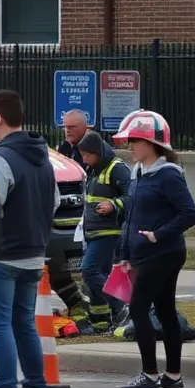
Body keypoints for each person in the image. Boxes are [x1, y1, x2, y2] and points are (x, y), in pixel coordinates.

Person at [0, 90, 58, 388]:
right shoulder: (44, 157)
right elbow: (52, 204)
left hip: (2, 255)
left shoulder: (0, 159)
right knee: (24, 324)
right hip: (34, 253)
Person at [111, 110, 195, 388]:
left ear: (151, 143)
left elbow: (188, 213)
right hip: (142, 254)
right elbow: (131, 216)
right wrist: (124, 252)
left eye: (134, 140)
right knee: (165, 311)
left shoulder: (168, 175)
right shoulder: (138, 174)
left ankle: (150, 375)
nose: (129, 146)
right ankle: (173, 376)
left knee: (138, 308)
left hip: (164, 253)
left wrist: (158, 234)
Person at [76, 130, 132, 332]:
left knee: (89, 271)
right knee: (100, 276)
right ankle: (102, 322)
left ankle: (121, 305)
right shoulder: (94, 169)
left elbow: (132, 195)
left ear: (98, 152)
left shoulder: (116, 168)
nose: (84, 159)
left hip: (108, 232)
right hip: (93, 232)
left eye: (87, 155)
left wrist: (114, 204)